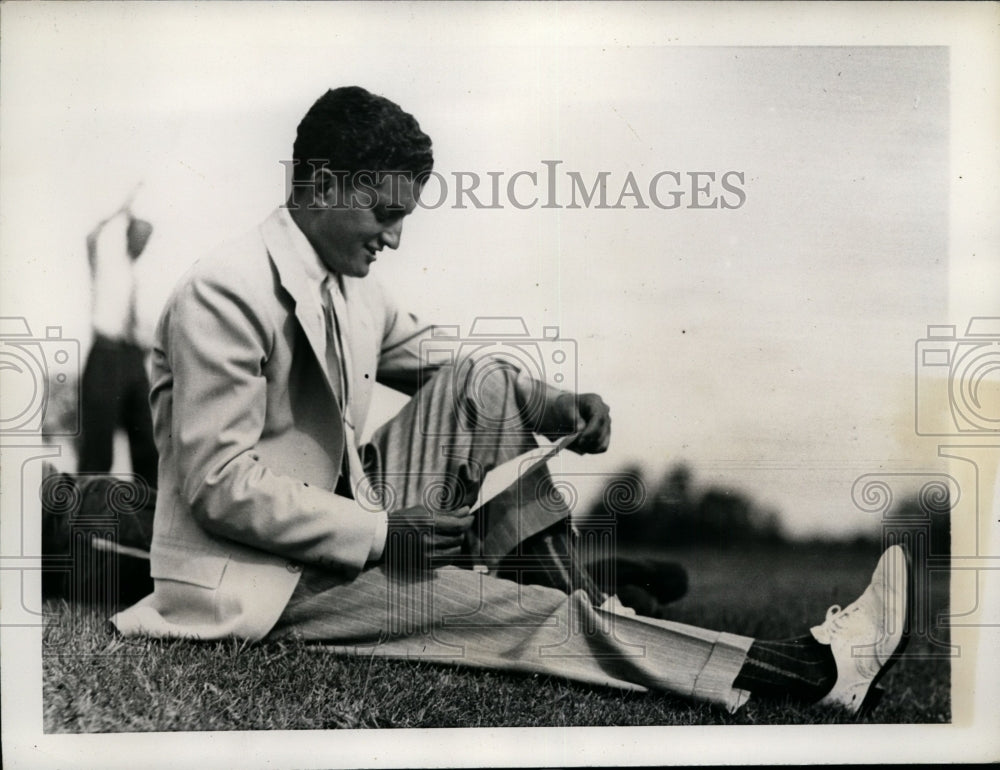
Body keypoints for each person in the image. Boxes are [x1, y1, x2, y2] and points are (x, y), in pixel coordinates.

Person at [109, 86, 910, 715]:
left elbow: (449, 373)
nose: (394, 238)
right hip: (263, 582)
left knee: (487, 382)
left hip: (336, 527)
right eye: (385, 214)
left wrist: (554, 403)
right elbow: (220, 486)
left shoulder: (351, 286)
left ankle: (591, 603)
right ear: (320, 188)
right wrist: (386, 531)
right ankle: (815, 672)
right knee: (524, 617)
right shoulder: (224, 290)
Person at [78, 195, 159, 488]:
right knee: (98, 448)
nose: (142, 242)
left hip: (135, 360)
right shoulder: (108, 264)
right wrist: (119, 211)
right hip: (105, 354)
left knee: (147, 444)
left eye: (146, 238)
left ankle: (148, 517)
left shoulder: (144, 276)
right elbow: (91, 237)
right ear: (127, 235)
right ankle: (85, 519)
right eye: (138, 235)